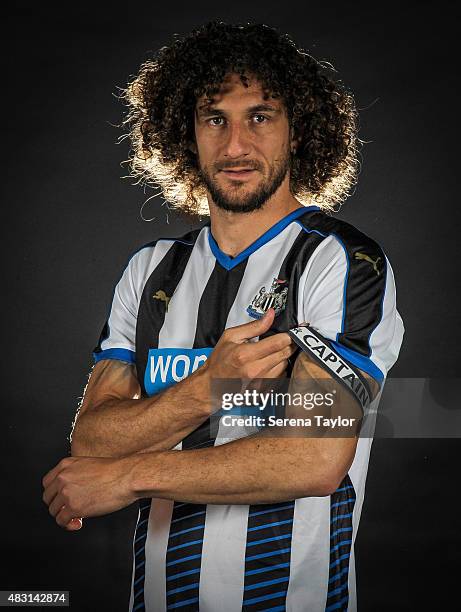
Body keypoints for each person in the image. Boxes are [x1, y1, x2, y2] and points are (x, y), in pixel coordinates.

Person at [42, 21, 404, 612]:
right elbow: (91, 440)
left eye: (260, 116)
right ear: (185, 134)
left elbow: (313, 457)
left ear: (299, 131)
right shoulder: (152, 269)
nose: (235, 145)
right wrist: (207, 388)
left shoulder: (338, 259)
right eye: (215, 118)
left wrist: (130, 476)